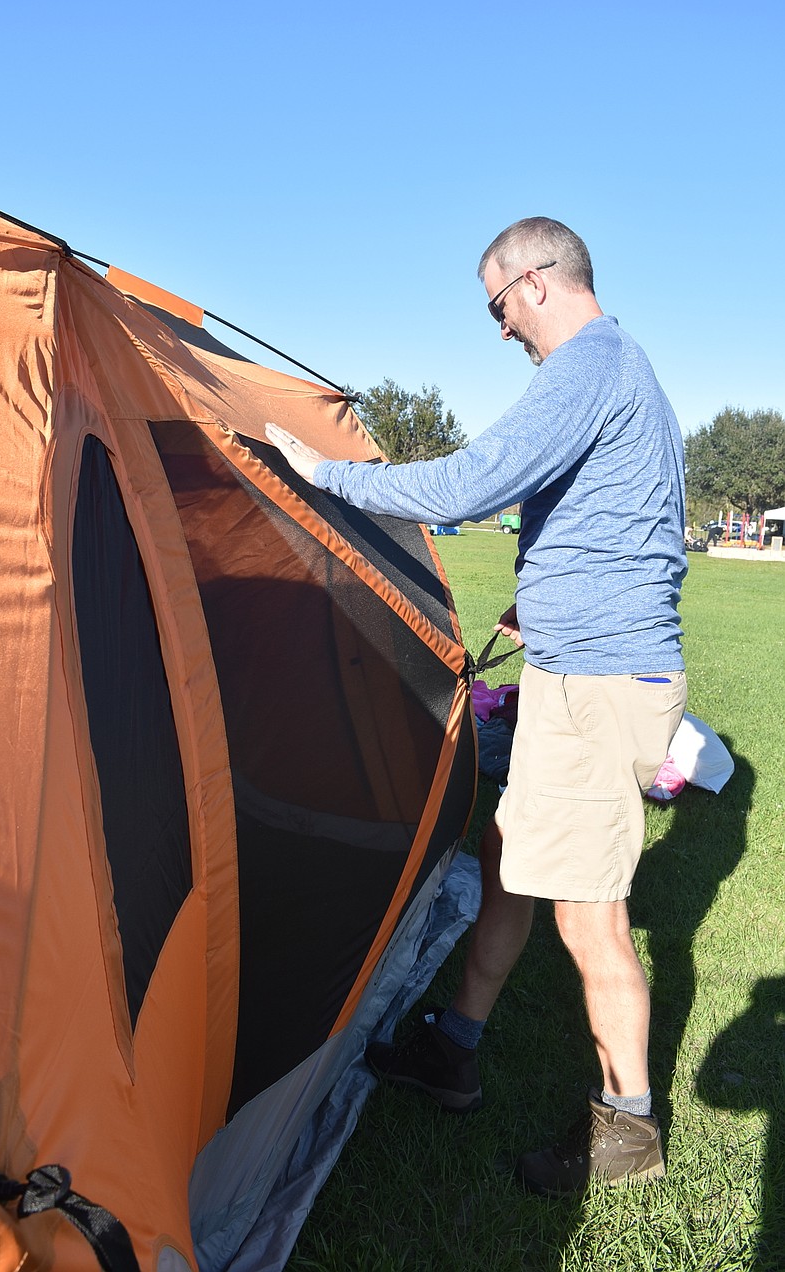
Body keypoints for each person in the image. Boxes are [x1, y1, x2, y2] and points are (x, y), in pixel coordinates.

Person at [265, 216, 687, 1197]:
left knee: (591, 921)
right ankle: (452, 1050)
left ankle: (624, 1140)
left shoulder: (590, 364)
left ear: (536, 283)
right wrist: (545, 598)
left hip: (597, 689)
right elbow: (629, 520)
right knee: (507, 859)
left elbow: (469, 485)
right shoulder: (625, 374)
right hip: (587, 668)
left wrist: (321, 473)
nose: (499, 329)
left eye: (497, 308)